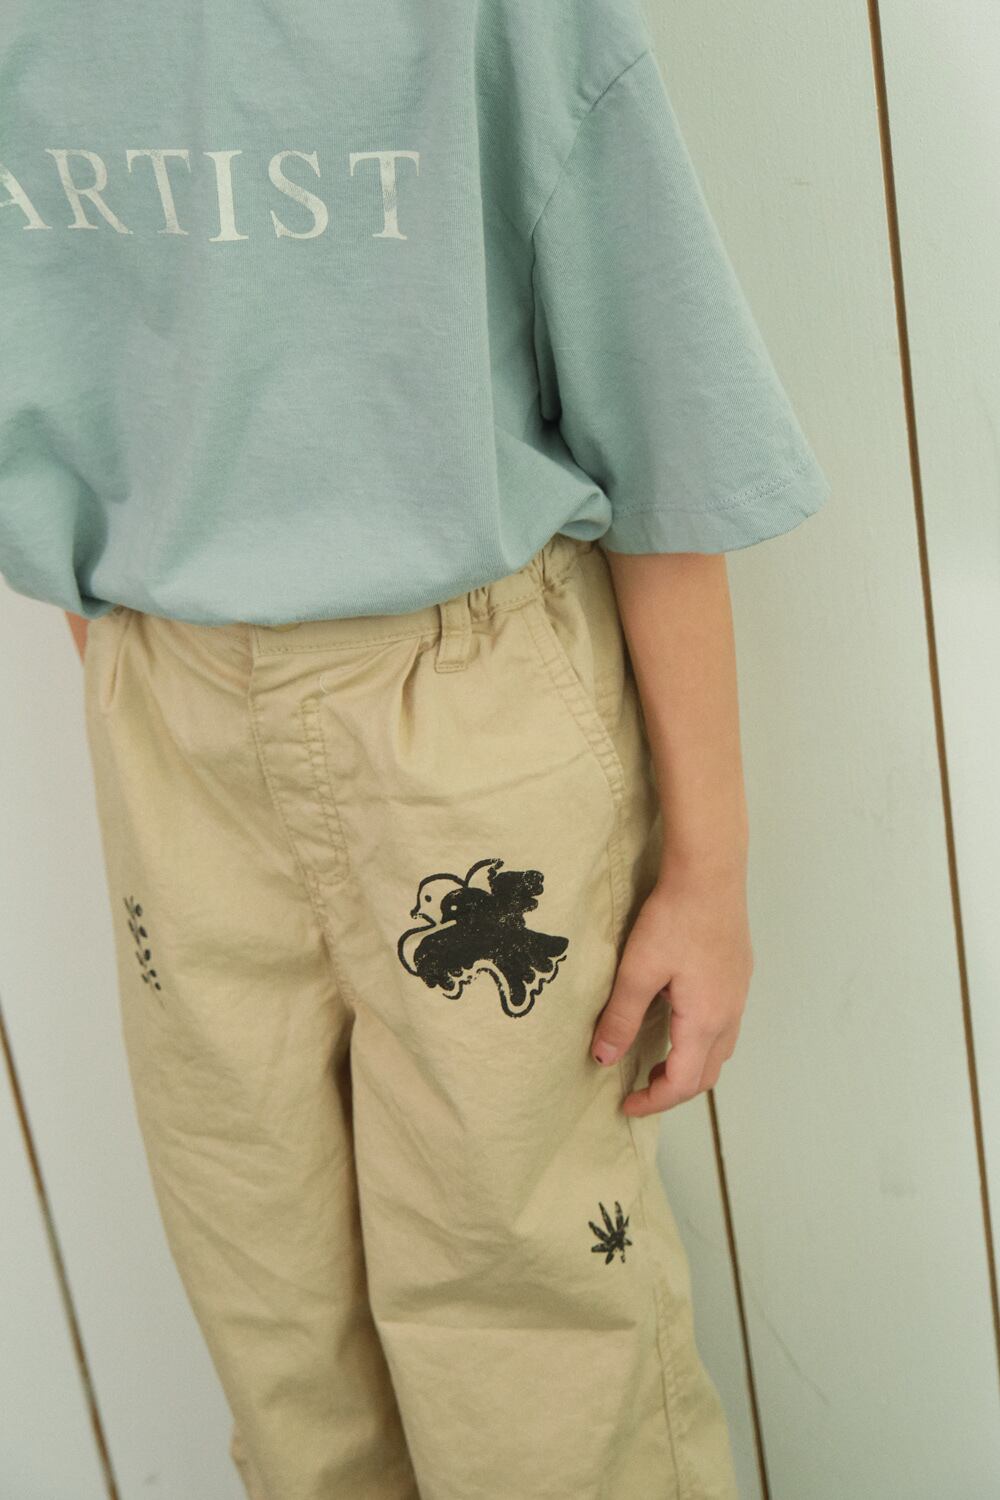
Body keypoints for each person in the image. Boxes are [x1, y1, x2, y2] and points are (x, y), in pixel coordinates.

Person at [2, 1, 831, 1495]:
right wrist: (144, 675)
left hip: (462, 708)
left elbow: (664, 420)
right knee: (271, 1309)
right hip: (164, 704)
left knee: (536, 1323)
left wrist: (710, 868)